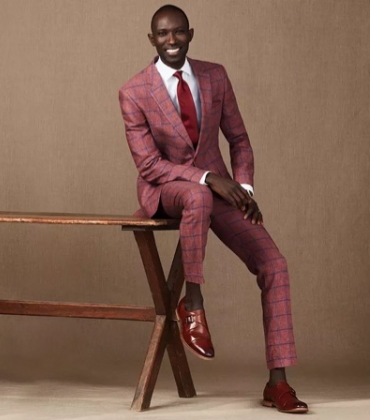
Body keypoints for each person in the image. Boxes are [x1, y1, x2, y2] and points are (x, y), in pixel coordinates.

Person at [118, 4, 307, 414]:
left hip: (220, 190)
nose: (172, 40)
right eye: (163, 34)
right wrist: (207, 179)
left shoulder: (214, 75)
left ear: (190, 33)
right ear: (152, 40)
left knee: (275, 265)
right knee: (199, 195)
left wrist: (243, 187)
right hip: (166, 189)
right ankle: (194, 303)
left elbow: (238, 139)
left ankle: (278, 383)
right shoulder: (134, 91)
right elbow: (149, 164)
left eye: (178, 32)